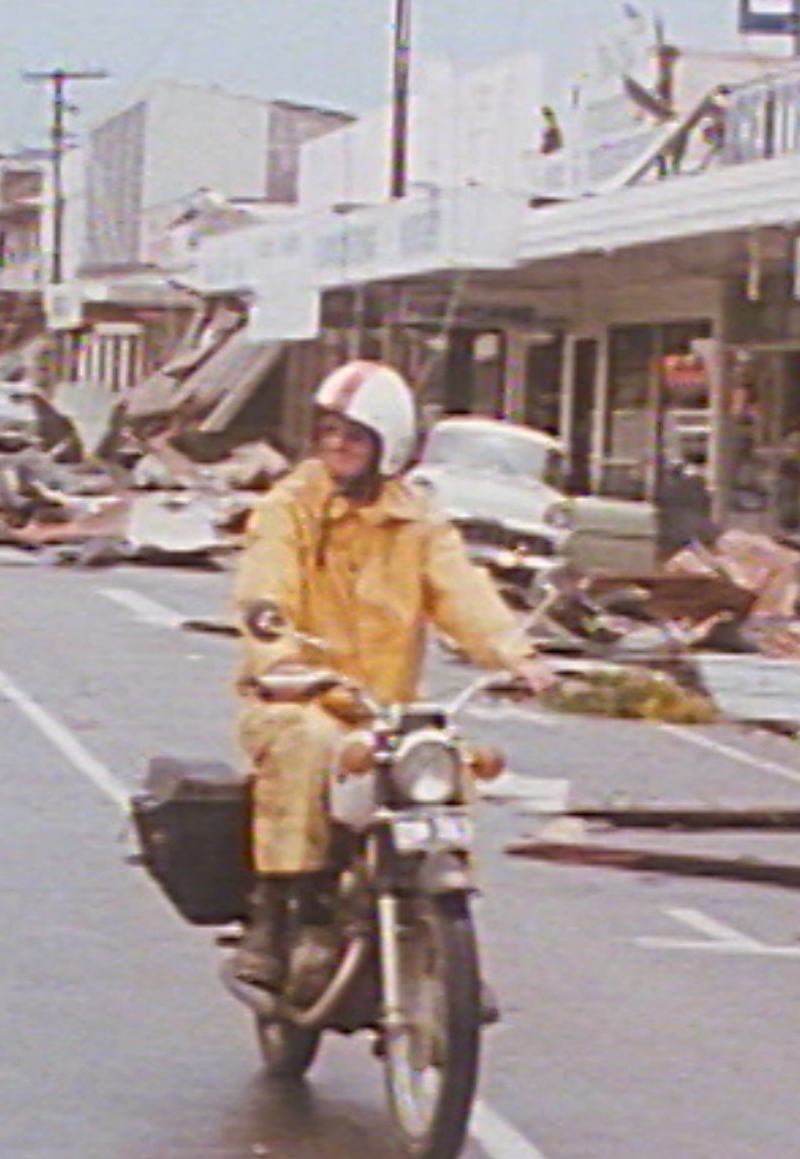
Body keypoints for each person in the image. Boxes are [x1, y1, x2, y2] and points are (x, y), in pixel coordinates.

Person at [226, 360, 560, 989]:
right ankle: (283, 913)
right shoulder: (290, 508)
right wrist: (280, 660)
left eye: (353, 436)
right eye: (327, 431)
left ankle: (443, 943)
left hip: (386, 709)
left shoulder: (420, 522)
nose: (335, 446)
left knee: (447, 763)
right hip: (300, 697)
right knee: (309, 743)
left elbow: (463, 593)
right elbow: (264, 587)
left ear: (389, 446)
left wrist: (519, 657)